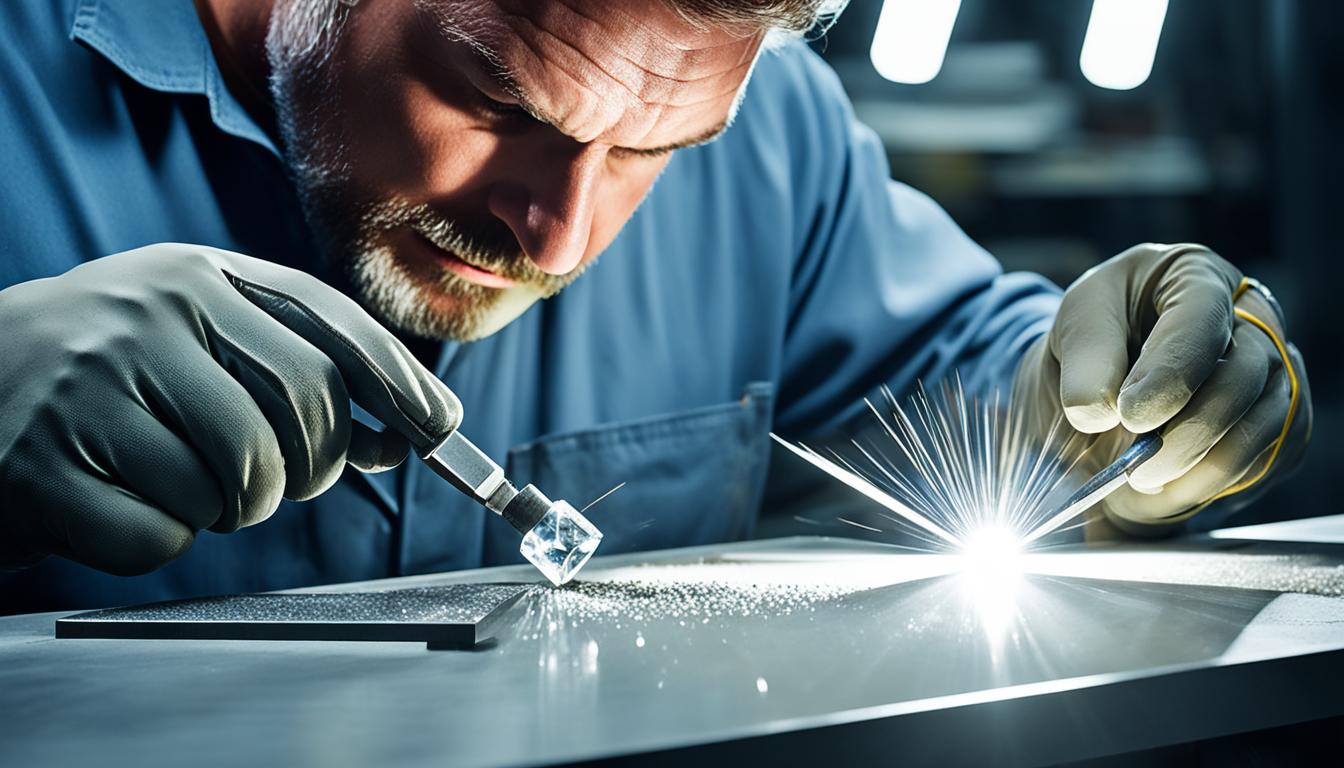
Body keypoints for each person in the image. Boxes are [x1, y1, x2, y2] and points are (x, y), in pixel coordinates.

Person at [0, 0, 1311, 613]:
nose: (561, 229)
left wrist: (1113, 417)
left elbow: (978, 403)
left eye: (655, 152)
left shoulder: (772, 136)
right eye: (500, 100)